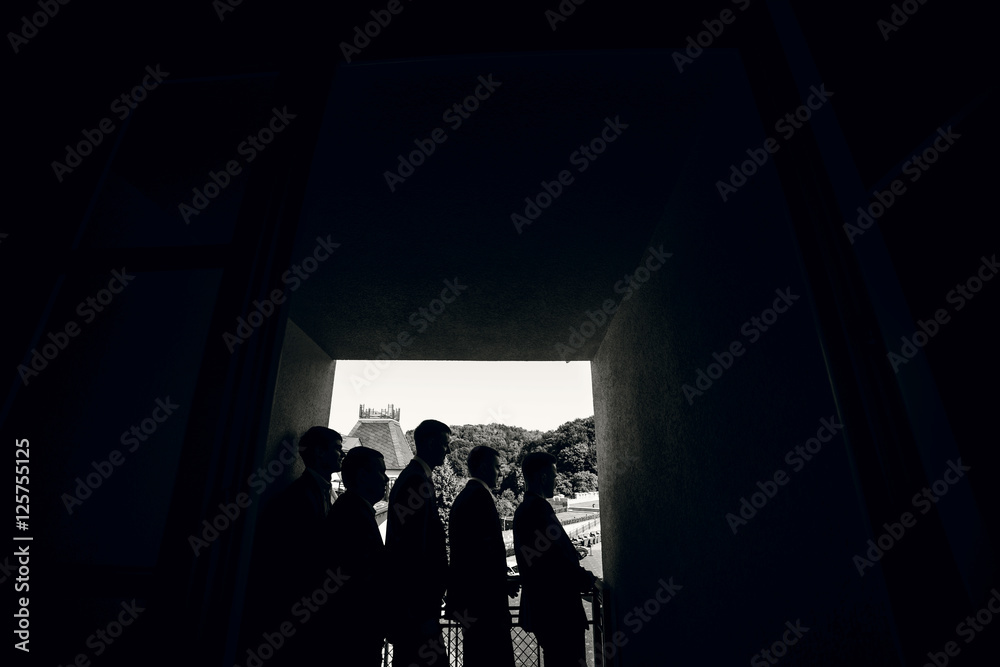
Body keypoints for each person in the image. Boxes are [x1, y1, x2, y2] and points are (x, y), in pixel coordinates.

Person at [242, 427, 344, 664]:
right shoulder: (297, 498)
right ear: (319, 452)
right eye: (338, 449)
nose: (342, 455)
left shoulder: (318, 493)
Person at [513, 452, 596, 667]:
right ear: (542, 476)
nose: (556, 479)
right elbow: (557, 561)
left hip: (545, 612)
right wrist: (585, 578)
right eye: (553, 474)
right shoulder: (539, 508)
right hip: (560, 613)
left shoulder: (523, 509)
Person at [385, 419, 452, 666]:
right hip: (417, 608)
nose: (449, 450)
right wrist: (427, 602)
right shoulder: (417, 481)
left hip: (414, 606)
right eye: (446, 444)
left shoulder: (416, 477)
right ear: (430, 443)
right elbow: (414, 550)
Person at [447, 446, 519, 667]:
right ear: (485, 467)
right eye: (497, 467)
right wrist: (500, 583)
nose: (500, 473)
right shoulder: (479, 497)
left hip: (472, 604)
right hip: (485, 607)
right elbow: (483, 557)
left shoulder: (466, 496)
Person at [327, 446, 390, 667]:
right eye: (381, 472)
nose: (385, 479)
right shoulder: (354, 514)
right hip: (356, 632)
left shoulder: (352, 508)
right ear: (363, 475)